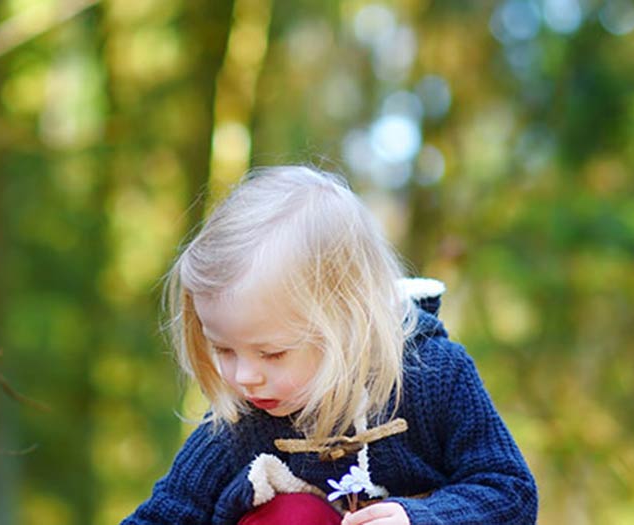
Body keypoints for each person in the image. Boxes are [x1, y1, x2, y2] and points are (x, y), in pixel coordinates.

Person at [124, 166, 536, 524]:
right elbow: (165, 514)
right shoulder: (241, 424)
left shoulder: (434, 376)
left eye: (272, 353)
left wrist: (423, 517)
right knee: (295, 516)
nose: (244, 377)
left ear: (348, 324)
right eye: (224, 349)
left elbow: (510, 491)